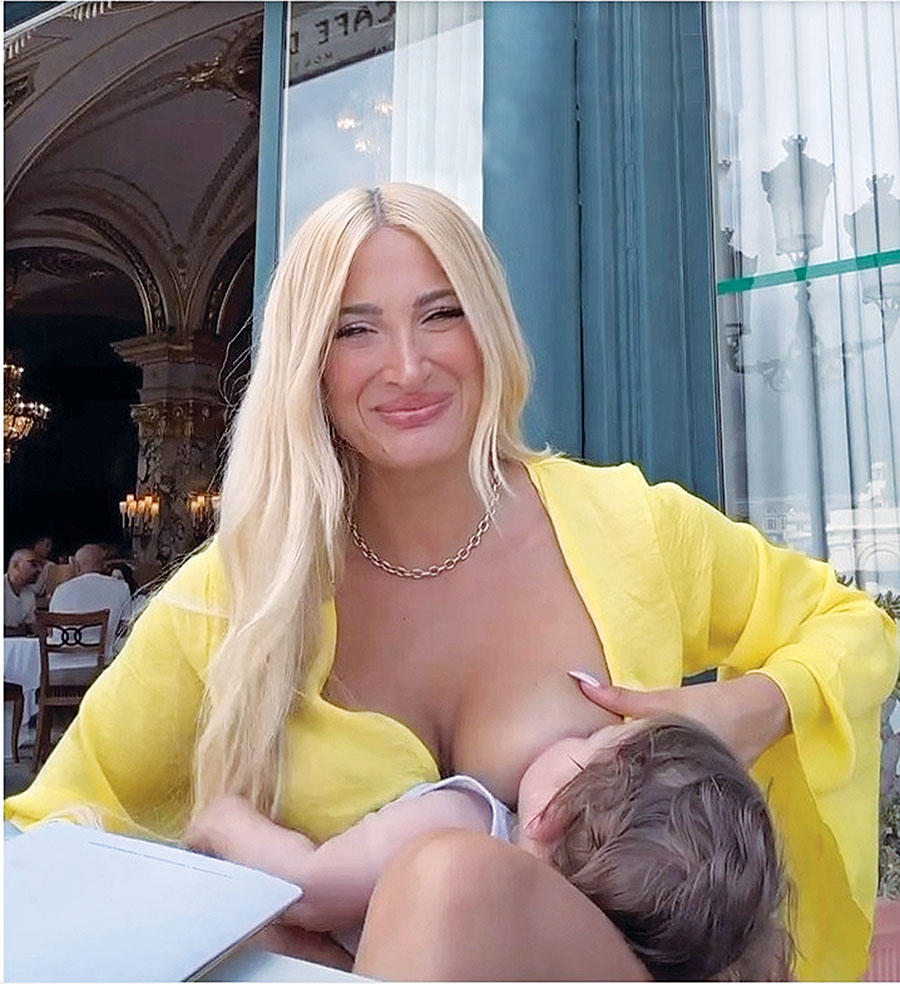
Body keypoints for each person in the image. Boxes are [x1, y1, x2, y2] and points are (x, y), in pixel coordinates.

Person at [4, 184, 897, 981]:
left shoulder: (631, 528)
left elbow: (855, 623)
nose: (407, 365)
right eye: (355, 328)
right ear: (311, 364)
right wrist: (254, 928)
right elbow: (54, 829)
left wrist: (746, 709)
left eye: (441, 314)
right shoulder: (240, 597)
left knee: (448, 880)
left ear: (490, 325)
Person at [185, 716, 793, 981]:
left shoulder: (468, 820)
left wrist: (223, 820)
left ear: (550, 815)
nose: (576, 733)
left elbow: (307, 888)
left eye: (593, 739)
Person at [48, 544, 132, 658]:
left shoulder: (60, 590)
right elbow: (125, 628)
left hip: (59, 662)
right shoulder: (121, 588)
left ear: (77, 566)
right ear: (104, 565)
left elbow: (51, 631)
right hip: (102, 663)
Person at [4, 548, 42, 635]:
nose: (40, 570)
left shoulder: (29, 594)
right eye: (33, 564)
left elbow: (31, 627)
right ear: (16, 565)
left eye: (41, 565)